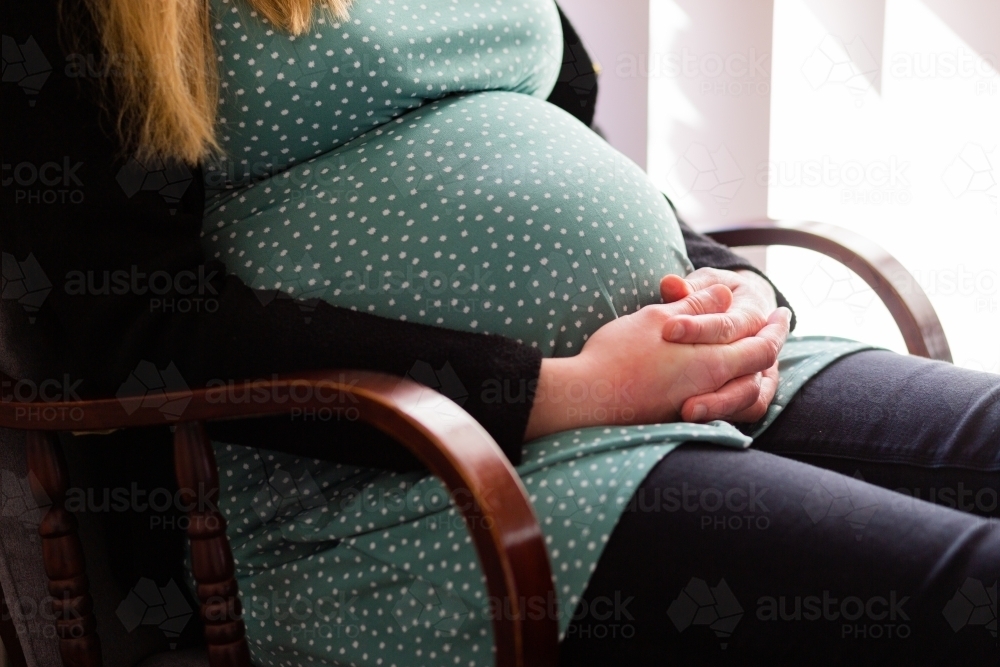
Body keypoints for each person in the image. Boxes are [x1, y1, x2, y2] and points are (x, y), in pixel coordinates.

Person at [2, 1, 995, 665]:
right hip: (399, 482)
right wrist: (570, 389)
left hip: (655, 372)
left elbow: (555, 125)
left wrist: (726, 294)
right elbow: (124, 325)